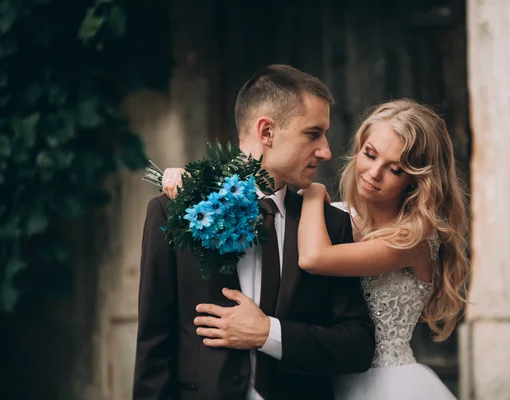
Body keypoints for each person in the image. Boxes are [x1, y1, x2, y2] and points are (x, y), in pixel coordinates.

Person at [133, 64, 375, 400]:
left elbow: (358, 345)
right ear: (267, 131)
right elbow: (153, 351)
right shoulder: (178, 211)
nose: (326, 151)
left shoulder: (330, 225)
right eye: (313, 133)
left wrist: (268, 333)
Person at [298, 99, 469, 399]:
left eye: (395, 169)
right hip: (326, 379)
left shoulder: (412, 239)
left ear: (417, 180)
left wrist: (312, 194)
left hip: (389, 385)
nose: (374, 172)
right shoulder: (336, 217)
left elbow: (314, 258)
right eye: (370, 154)